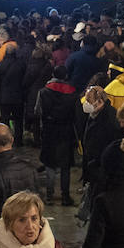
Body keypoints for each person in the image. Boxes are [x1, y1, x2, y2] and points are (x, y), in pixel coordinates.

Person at [35, 66, 79, 205]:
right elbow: (76, 115)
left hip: (49, 130)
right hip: (66, 131)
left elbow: (37, 111)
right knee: (65, 165)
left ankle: (49, 196)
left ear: (53, 74)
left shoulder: (44, 92)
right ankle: (65, 196)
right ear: (66, 76)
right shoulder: (73, 94)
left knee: (50, 163)